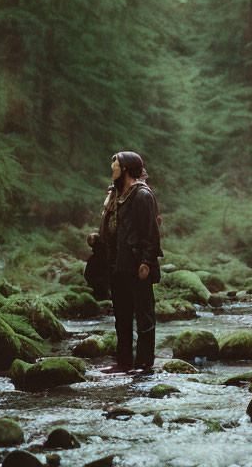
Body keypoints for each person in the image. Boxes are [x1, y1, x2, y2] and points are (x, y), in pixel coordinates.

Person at [88, 151, 162, 373]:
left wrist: (147, 262)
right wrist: (97, 240)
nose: (113, 172)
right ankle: (123, 362)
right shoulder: (114, 195)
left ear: (126, 171)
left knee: (144, 314)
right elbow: (115, 229)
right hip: (116, 264)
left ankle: (144, 363)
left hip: (137, 264)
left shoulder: (142, 196)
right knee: (121, 315)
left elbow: (151, 233)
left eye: (116, 169)